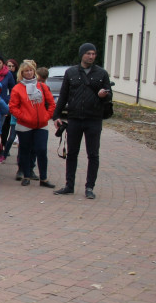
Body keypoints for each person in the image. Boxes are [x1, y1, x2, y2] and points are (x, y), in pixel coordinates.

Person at [54, 42, 112, 199]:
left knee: (93, 154)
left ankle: (90, 187)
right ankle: (69, 185)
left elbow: (109, 95)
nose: (91, 56)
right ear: (82, 55)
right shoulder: (71, 72)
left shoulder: (101, 73)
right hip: (74, 118)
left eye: (94, 54)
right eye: (88, 54)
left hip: (93, 119)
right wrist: (56, 115)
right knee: (72, 153)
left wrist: (104, 95)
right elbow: (63, 94)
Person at [9, 60, 56, 188]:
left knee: (41, 150)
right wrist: (24, 117)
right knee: (25, 150)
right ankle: (26, 175)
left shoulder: (42, 87)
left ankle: (44, 178)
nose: (29, 73)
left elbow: (52, 104)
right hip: (25, 125)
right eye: (26, 71)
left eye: (31, 70)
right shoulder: (17, 88)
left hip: (41, 124)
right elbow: (13, 107)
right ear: (22, 73)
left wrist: (46, 116)